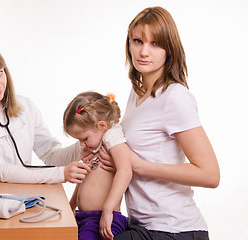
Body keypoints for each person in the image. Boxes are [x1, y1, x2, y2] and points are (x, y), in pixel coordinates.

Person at [104, 6, 220, 240]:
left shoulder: (175, 96)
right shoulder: (136, 94)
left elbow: (210, 174)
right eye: (137, 41)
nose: (144, 51)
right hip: (143, 224)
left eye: (155, 43)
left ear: (170, 49)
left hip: (174, 229)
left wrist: (139, 166)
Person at [0, 38, 90, 184]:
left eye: (0, 73)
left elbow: (50, 155)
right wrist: (61, 174)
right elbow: (1, 171)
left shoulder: (26, 106)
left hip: (23, 192)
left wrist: (87, 145)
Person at [63, 91, 132, 240]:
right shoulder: (95, 145)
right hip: (83, 217)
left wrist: (108, 210)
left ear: (102, 125)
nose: (81, 144)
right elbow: (85, 179)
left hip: (102, 218)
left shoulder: (112, 136)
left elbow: (125, 170)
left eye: (84, 138)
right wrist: (71, 206)